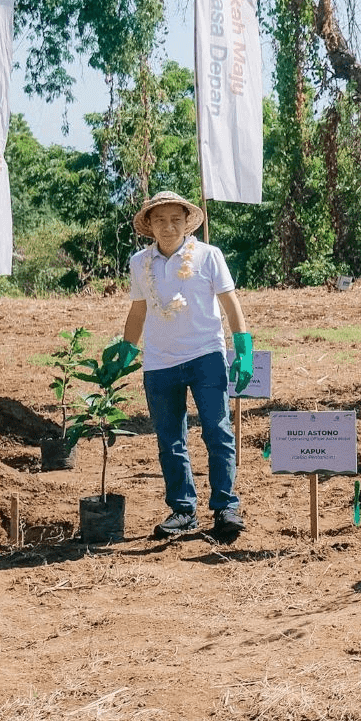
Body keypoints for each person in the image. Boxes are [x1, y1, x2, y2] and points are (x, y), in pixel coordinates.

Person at [107, 192, 255, 543]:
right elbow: (139, 310)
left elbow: (230, 304)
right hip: (159, 363)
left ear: (187, 222)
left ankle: (225, 507)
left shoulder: (208, 256)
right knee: (169, 440)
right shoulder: (140, 263)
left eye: (175, 219)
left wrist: (244, 349)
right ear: (150, 226)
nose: (168, 226)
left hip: (206, 356)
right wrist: (127, 350)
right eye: (160, 220)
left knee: (217, 432)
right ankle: (183, 510)